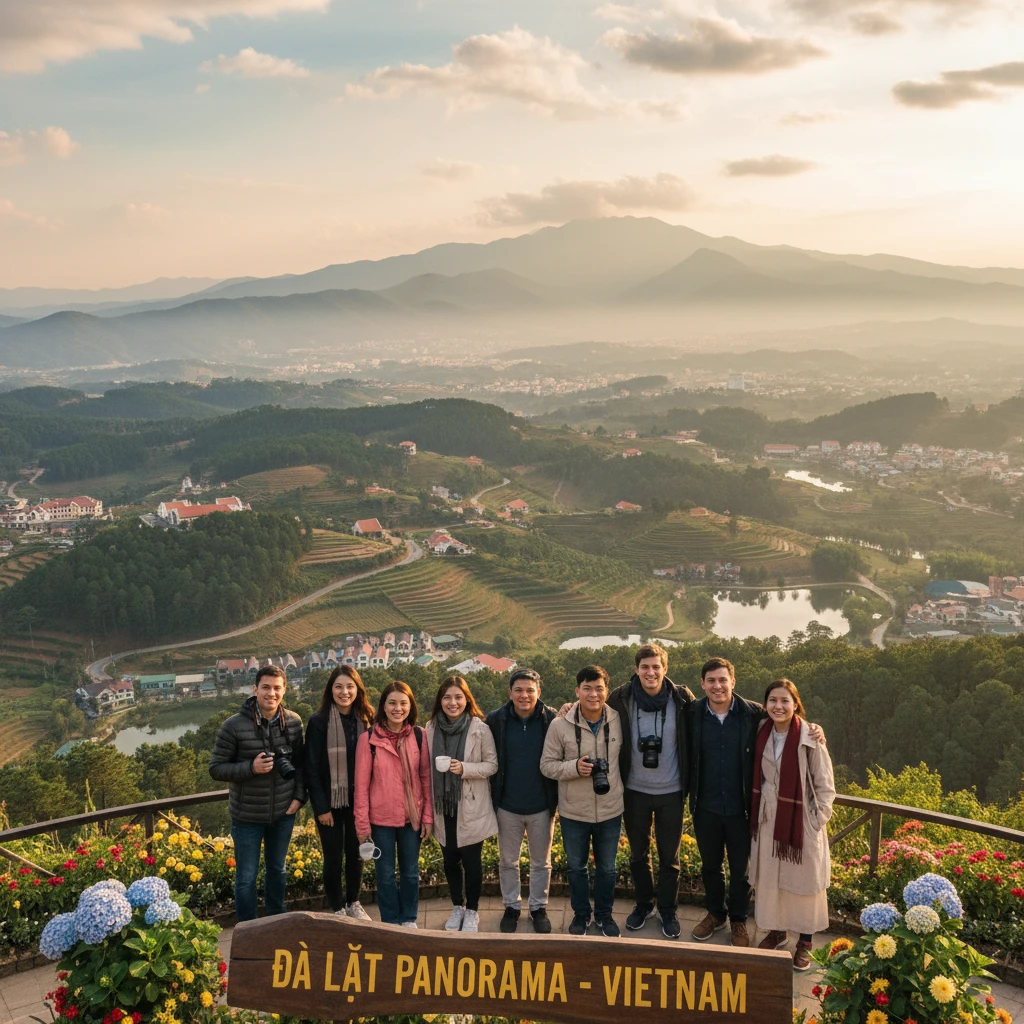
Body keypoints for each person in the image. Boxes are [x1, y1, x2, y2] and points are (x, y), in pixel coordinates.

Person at [687, 657, 825, 948]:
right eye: (711, 681)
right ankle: (716, 914)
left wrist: (815, 729)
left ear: (733, 682)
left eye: (723, 680)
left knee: (741, 870)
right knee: (710, 866)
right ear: (702, 684)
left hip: (743, 809)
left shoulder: (753, 715)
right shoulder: (692, 712)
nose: (717, 686)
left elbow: (786, 719)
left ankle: (738, 920)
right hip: (706, 806)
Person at [607, 643, 695, 939]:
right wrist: (567, 708)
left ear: (665, 669)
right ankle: (643, 904)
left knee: (670, 858)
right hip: (634, 791)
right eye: (644, 667)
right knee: (638, 855)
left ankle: (668, 910)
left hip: (671, 791)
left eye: (656, 666)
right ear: (636, 670)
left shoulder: (681, 699)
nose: (650, 672)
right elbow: (589, 710)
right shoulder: (621, 698)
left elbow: (717, 711)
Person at [750, 678, 835, 971]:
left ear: (795, 704)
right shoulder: (762, 731)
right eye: (773, 700)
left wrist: (814, 820)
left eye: (785, 700)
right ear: (765, 705)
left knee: (803, 884)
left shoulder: (809, 737)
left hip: (801, 822)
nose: (778, 706)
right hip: (768, 817)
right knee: (773, 880)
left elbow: (825, 787)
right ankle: (777, 931)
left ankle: (806, 941)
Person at [209, 665, 305, 922]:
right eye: (266, 687)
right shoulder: (234, 726)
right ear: (255, 689)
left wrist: (298, 798)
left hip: (283, 813)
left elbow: (302, 764)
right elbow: (216, 769)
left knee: (278, 871)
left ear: (284, 690)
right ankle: (247, 931)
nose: (271, 693)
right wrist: (251, 768)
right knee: (246, 878)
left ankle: (276, 925)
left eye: (277, 688)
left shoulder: (293, 722)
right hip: (247, 816)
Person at [540, 665, 624, 937]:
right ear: (577, 691)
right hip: (573, 811)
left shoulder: (619, 719)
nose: (593, 694)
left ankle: (604, 915)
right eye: (586, 688)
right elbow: (547, 766)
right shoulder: (559, 724)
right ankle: (580, 915)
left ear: (606, 691)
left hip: (611, 808)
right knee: (576, 868)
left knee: (608, 869)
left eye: (599, 688)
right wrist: (574, 768)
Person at [485, 667, 559, 934]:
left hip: (542, 805)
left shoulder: (552, 719)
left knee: (542, 861)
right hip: (507, 805)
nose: (524, 695)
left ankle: (539, 908)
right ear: (510, 693)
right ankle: (511, 907)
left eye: (530, 690)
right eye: (518, 690)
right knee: (508, 861)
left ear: (539, 692)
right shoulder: (496, 720)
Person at [354, 680, 432, 928]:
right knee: (385, 875)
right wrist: (362, 827)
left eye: (403, 703)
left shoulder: (419, 736)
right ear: (383, 706)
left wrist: (427, 817)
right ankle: (390, 921)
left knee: (410, 873)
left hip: (412, 818)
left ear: (411, 706)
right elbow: (361, 787)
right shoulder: (368, 740)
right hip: (381, 821)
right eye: (392, 703)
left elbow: (426, 779)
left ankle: (409, 918)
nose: (398, 708)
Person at [426, 675, 498, 932]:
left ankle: (473, 911)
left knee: (472, 861)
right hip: (443, 806)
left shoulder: (480, 729)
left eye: (458, 697)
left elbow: (492, 765)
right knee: (449, 861)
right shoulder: (431, 728)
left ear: (467, 700)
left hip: (471, 805)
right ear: (440, 701)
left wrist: (464, 768)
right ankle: (458, 906)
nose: (452, 702)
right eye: (447, 697)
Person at [305, 666, 375, 920]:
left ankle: (354, 902)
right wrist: (321, 807)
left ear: (358, 690)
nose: (344, 692)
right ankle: (337, 908)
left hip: (359, 801)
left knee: (356, 854)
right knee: (333, 857)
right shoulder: (318, 722)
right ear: (330, 690)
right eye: (339, 687)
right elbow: (311, 767)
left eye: (349, 687)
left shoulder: (367, 719)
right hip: (330, 803)